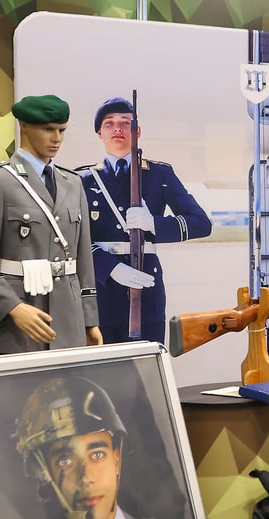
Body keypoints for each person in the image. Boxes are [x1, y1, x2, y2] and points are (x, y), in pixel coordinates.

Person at [0, 94, 101, 354]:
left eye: (62, 130)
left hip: (69, 322)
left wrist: (89, 321)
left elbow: (83, 259)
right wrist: (12, 307)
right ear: (24, 126)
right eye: (47, 129)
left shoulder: (72, 183)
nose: (57, 139)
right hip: (17, 323)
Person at [77, 97, 212, 344]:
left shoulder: (159, 174)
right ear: (99, 133)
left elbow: (201, 223)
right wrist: (110, 268)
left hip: (146, 279)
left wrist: (154, 224)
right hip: (101, 285)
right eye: (109, 123)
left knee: (146, 356)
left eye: (125, 123)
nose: (117, 128)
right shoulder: (83, 179)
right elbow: (75, 240)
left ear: (137, 131)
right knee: (104, 359)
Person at [15, 376, 165, 519]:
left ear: (116, 458)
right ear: (45, 473)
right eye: (65, 460)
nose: (86, 478)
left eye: (97, 454)